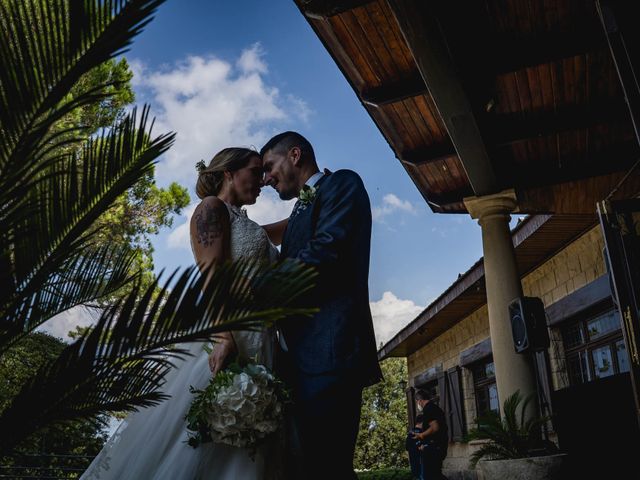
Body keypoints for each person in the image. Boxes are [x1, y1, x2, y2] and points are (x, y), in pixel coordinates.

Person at [81, 147, 287, 480]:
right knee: (202, 439)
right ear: (228, 173)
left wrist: (314, 198)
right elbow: (211, 273)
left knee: (246, 441)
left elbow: (281, 230)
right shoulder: (211, 208)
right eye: (255, 170)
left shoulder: (245, 223)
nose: (263, 180)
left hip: (260, 337)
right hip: (229, 332)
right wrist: (224, 337)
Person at [261, 131, 383, 480]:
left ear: (295, 155)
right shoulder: (301, 208)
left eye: (270, 167)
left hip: (332, 352)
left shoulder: (342, 184)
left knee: (329, 466)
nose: (266, 178)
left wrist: (253, 290)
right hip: (296, 358)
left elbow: (325, 253)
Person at [412, 389, 448, 480]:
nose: (417, 404)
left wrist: (421, 435)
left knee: (430, 476)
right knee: (436, 474)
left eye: (417, 402)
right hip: (438, 446)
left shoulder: (428, 409)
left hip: (434, 448)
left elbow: (434, 427)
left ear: (420, 400)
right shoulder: (436, 408)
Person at [406, 414, 424, 479]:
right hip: (421, 463)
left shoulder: (410, 433)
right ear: (422, 422)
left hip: (413, 465)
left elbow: (407, 447)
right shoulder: (422, 433)